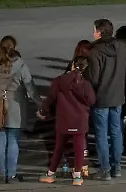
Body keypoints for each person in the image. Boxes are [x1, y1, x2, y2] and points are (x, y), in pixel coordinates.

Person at [0, 35, 38, 183]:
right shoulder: (20, 64)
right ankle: (12, 174)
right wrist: (40, 104)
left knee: (0, 140)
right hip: (16, 106)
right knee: (13, 140)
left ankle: (3, 174)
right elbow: (30, 86)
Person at [87, 18, 126, 180]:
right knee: (116, 132)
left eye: (94, 30)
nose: (92, 33)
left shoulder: (94, 52)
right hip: (118, 96)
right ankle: (117, 166)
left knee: (101, 133)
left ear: (100, 33)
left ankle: (105, 169)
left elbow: (93, 78)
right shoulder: (122, 47)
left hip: (101, 98)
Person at [38, 56, 96, 185]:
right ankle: (76, 176)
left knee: (59, 147)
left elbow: (50, 98)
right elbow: (92, 101)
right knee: (79, 149)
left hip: (64, 119)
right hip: (80, 120)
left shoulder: (59, 81)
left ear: (72, 65)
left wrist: (43, 110)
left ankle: (51, 174)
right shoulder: (85, 84)